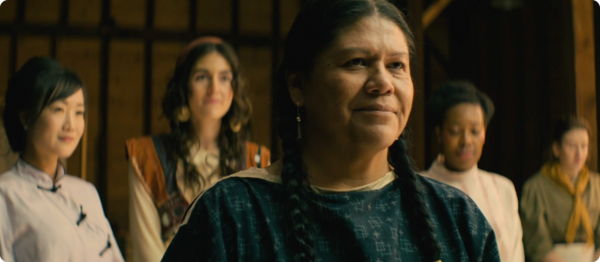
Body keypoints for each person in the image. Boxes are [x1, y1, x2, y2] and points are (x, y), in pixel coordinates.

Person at [161, 1, 500, 261]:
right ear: (298, 84)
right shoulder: (232, 215)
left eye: (396, 65)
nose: (383, 82)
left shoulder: (457, 220)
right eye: (356, 62)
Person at [126, 37, 271, 262]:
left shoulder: (257, 161)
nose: (214, 88)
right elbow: (147, 253)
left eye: (224, 78)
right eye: (202, 77)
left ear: (234, 89)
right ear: (184, 87)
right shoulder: (147, 157)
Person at [0, 57, 124, 262]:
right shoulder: (6, 195)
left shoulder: (87, 193)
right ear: (25, 117)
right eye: (59, 110)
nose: (71, 125)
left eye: (79, 112)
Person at [420, 81, 524, 262]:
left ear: (484, 134)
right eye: (455, 131)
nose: (466, 140)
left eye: (475, 131)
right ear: (439, 133)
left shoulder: (503, 188)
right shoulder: (417, 188)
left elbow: (516, 255)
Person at [520, 116, 600, 262]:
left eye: (584, 146)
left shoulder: (597, 185)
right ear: (556, 149)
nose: (579, 154)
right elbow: (537, 244)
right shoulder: (535, 188)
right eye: (571, 146)